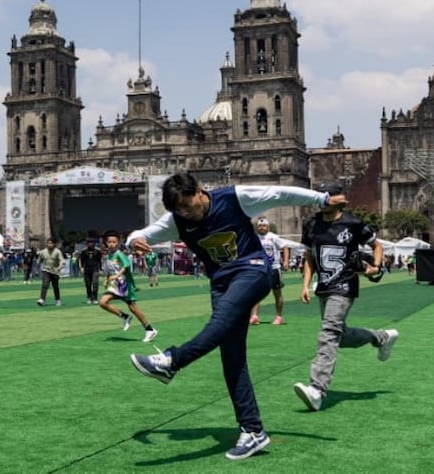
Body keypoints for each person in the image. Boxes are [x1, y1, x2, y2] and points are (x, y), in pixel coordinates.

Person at [127, 172, 346, 461]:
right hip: (220, 283)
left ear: (200, 192)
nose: (187, 214)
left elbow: (279, 194)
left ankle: (172, 360)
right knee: (232, 358)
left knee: (218, 325)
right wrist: (134, 240)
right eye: (179, 210)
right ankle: (253, 431)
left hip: (252, 270)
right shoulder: (177, 221)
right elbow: (142, 233)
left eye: (189, 206)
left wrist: (322, 199)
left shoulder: (233, 197)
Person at [292, 181, 399, 413]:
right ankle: (381, 338)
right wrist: (305, 285)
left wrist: (376, 267)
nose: (322, 200)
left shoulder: (353, 223)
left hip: (345, 285)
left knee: (328, 332)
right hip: (324, 286)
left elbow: (377, 246)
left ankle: (317, 389)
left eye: (326, 196)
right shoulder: (311, 223)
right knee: (340, 336)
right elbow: (309, 257)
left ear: (337, 198)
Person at [98, 231, 157, 342]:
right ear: (106, 243)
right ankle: (125, 316)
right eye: (109, 242)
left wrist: (117, 276)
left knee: (133, 308)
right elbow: (108, 270)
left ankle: (149, 329)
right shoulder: (108, 256)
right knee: (103, 302)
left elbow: (126, 266)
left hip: (125, 285)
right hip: (115, 284)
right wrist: (106, 280)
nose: (111, 244)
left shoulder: (119, 254)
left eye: (114, 242)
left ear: (119, 243)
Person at [249, 218, 291, 326]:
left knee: (277, 293)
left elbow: (285, 246)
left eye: (264, 226)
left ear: (267, 227)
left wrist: (286, 261)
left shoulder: (273, 237)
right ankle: (254, 316)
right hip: (260, 268)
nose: (262, 227)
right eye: (260, 226)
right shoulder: (254, 238)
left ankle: (278, 316)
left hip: (274, 268)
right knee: (256, 293)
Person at [35, 237, 64, 307]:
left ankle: (58, 300)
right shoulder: (43, 252)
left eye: (51, 243)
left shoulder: (57, 251)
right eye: (48, 243)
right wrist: (36, 270)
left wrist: (59, 267)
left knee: (55, 286)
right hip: (46, 270)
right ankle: (42, 299)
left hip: (55, 272)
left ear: (54, 244)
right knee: (45, 284)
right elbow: (38, 262)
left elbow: (62, 261)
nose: (49, 245)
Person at [78, 239, 102, 304]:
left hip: (95, 269)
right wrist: (81, 268)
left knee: (95, 284)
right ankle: (89, 297)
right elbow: (81, 260)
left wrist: (100, 269)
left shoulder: (97, 251)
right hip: (87, 270)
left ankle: (95, 298)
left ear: (94, 243)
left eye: (92, 242)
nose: (90, 244)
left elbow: (99, 261)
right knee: (88, 284)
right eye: (89, 243)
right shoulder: (84, 251)